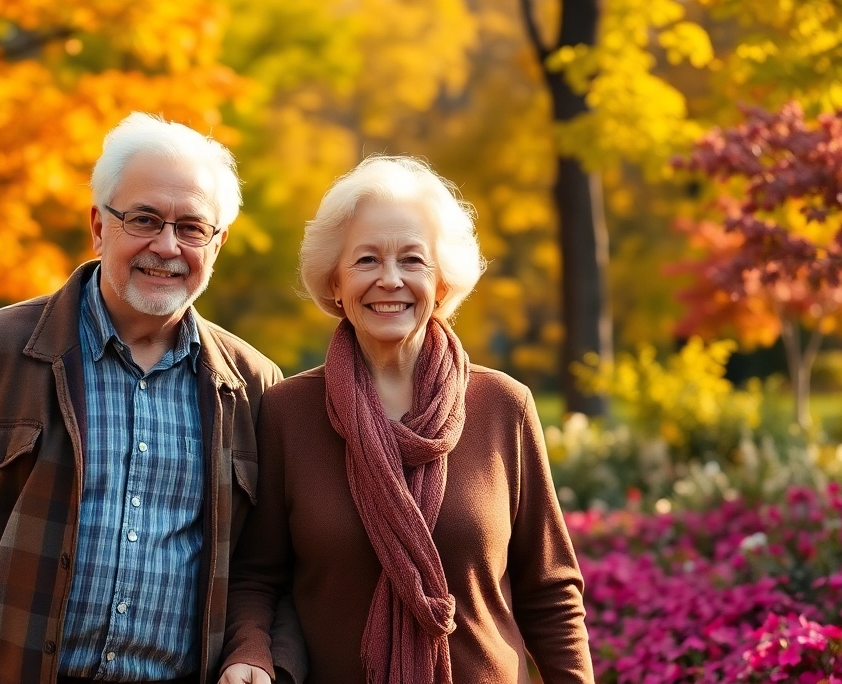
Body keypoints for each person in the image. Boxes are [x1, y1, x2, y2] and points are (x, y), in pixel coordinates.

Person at [0, 112, 304, 684]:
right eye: (144, 219)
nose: (167, 246)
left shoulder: (252, 386)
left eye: (192, 228)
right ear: (99, 226)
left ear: (217, 245)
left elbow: (264, 573)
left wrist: (253, 653)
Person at [219, 156, 595, 684]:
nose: (390, 279)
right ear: (335, 281)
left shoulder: (504, 406)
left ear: (441, 282)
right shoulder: (288, 412)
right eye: (367, 259)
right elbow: (256, 579)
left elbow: (550, 591)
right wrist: (250, 652)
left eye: (412, 260)